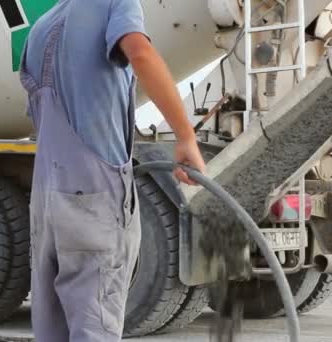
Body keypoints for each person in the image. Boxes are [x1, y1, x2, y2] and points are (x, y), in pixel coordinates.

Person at [19, 0, 205, 341]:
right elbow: (139, 52)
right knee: (95, 326)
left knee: (52, 327)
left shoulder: (40, 28)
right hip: (93, 193)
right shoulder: (114, 3)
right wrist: (185, 136)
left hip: (46, 197)